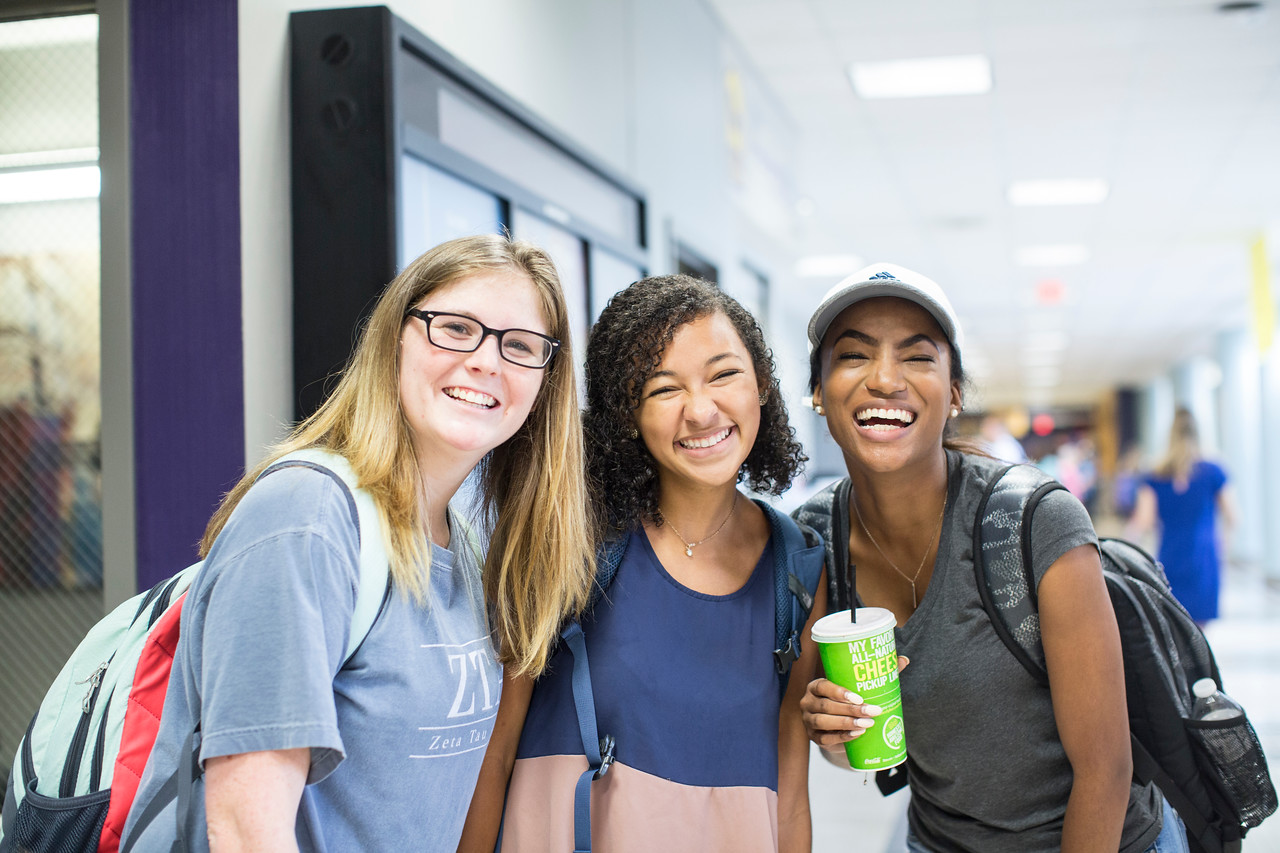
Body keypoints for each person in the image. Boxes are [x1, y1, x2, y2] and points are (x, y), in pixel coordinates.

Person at [121, 234, 596, 851]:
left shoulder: (470, 548)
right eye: (455, 329)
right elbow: (245, 829)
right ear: (396, 337)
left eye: (520, 346)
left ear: (545, 381)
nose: (486, 361)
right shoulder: (306, 520)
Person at [795, 263, 1185, 853]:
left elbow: (1105, 772)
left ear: (953, 392)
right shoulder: (816, 538)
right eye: (853, 356)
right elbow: (853, 756)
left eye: (918, 357)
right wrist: (834, 731)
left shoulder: (1033, 521)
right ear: (819, 393)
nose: (884, 379)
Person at [461, 274, 825, 852]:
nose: (701, 411)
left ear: (761, 387)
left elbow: (791, 792)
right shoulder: (571, 541)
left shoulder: (798, 568)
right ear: (626, 415)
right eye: (662, 389)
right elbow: (493, 748)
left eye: (724, 374)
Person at [1128, 408, 1235, 625]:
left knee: (1175, 624)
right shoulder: (1213, 471)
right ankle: (1199, 659)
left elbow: (1143, 521)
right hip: (1204, 556)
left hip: (1171, 556)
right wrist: (1223, 546)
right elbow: (1232, 516)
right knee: (1200, 629)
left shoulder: (1155, 475)